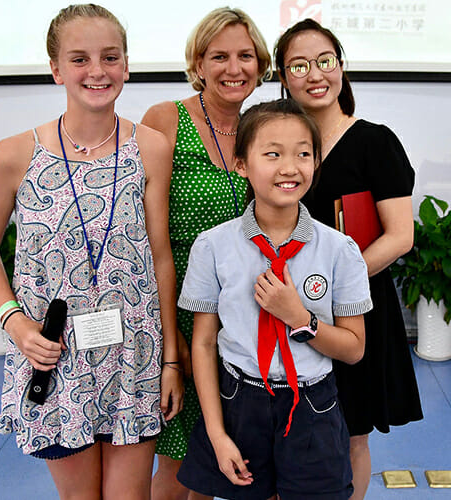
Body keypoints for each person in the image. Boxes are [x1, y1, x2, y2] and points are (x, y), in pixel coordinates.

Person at [0, 5, 183, 499]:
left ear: (126, 65)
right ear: (56, 69)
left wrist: (170, 359)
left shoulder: (149, 147)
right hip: (54, 354)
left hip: (135, 353)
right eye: (79, 59)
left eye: (110, 57)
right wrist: (15, 322)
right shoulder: (14, 154)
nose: (97, 71)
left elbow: (160, 256)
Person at [175, 98, 372, 500]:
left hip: (311, 403)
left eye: (303, 153)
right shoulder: (213, 246)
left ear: (316, 162)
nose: (289, 167)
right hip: (239, 400)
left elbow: (353, 349)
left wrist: (299, 317)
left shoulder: (340, 249)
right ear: (242, 164)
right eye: (273, 154)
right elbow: (204, 342)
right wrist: (217, 433)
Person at [274, 19, 424, 500]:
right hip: (281, 307)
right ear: (282, 76)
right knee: (284, 423)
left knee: (350, 430)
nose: (314, 74)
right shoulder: (279, 141)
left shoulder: (375, 142)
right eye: (299, 65)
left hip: (353, 310)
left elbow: (399, 237)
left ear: (341, 67)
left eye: (325, 61)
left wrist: (332, 291)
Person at [140, 8, 271, 499]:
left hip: (246, 312)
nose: (233, 68)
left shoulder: (264, 127)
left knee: (227, 453)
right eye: (219, 56)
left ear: (260, 66)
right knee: (178, 457)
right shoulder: (166, 119)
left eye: (245, 56)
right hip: (177, 307)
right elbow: (145, 234)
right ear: (197, 63)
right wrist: (171, 349)